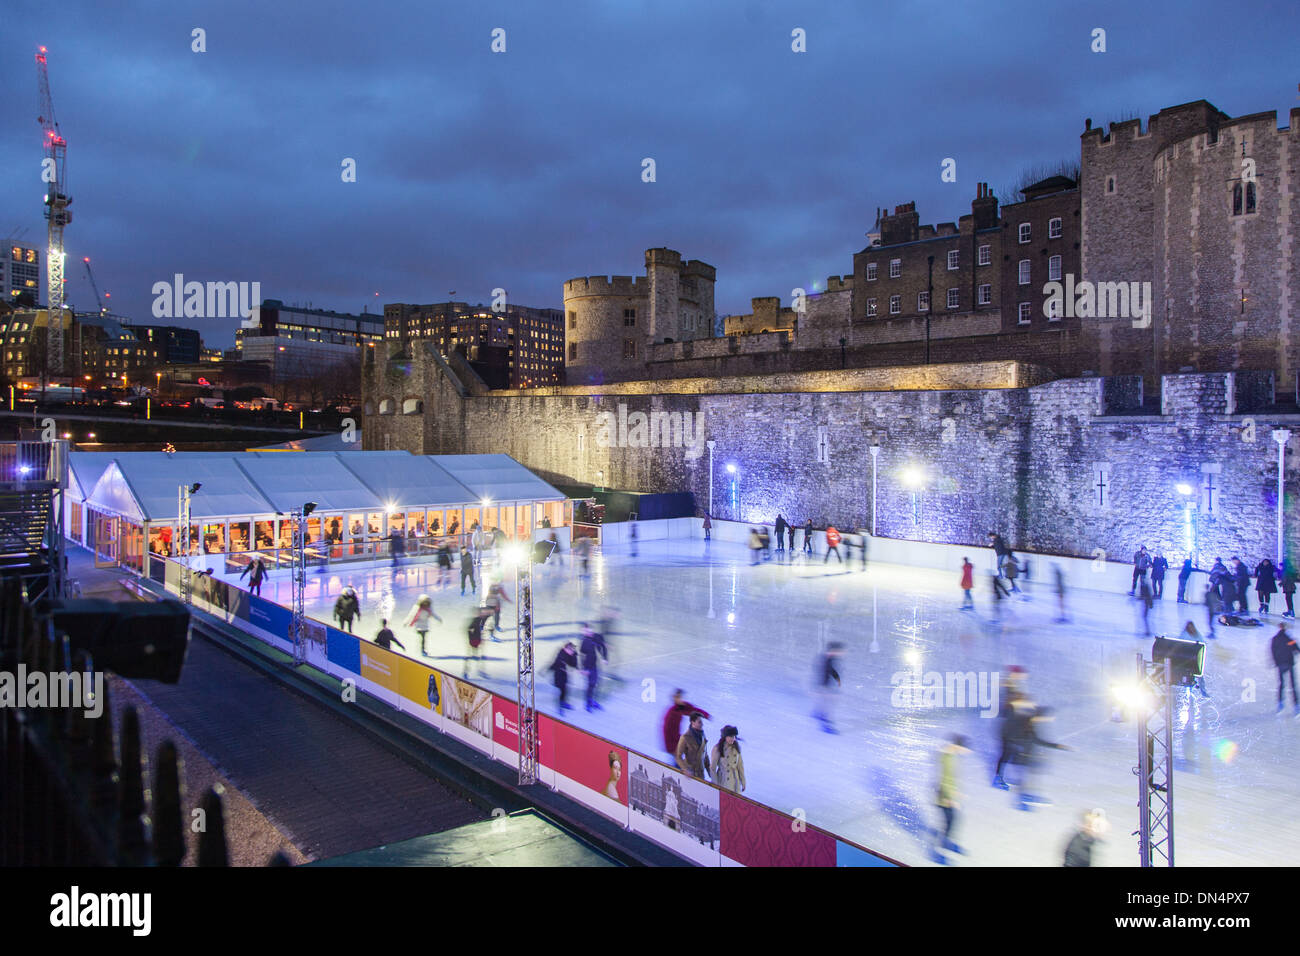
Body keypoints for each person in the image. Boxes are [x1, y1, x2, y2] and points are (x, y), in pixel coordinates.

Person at [931, 734, 971, 865]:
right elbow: (944, 781)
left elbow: (950, 779)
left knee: (952, 820)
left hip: (946, 795)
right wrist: (950, 799)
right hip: (943, 797)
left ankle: (945, 843)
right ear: (957, 746)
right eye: (965, 749)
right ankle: (939, 852)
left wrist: (957, 793)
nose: (966, 752)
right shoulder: (947, 758)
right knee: (949, 822)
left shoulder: (951, 755)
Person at [662, 690, 711, 756]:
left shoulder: (681, 707)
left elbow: (693, 710)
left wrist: (705, 715)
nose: (681, 700)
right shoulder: (672, 713)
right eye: (678, 697)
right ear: (674, 698)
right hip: (672, 742)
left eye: (681, 697)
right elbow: (668, 730)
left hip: (677, 740)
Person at [812, 642, 844, 734]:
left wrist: (837, 678)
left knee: (825, 704)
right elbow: (825, 672)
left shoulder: (829, 658)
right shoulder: (827, 660)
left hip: (823, 686)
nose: (841, 653)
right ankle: (825, 726)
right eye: (839, 651)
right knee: (827, 706)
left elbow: (831, 671)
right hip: (824, 686)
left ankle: (818, 713)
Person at [579, 623, 608, 712]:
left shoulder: (598, 636)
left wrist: (605, 658)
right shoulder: (584, 641)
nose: (585, 632)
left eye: (587, 630)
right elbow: (582, 655)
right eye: (584, 631)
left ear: (591, 629)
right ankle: (588, 703)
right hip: (588, 666)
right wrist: (583, 669)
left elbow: (603, 647)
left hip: (595, 664)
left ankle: (592, 701)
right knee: (590, 684)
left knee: (596, 684)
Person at [1271, 624, 1299, 716]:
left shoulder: (1275, 639)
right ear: (1285, 629)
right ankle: (1296, 705)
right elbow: (1297, 650)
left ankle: (1280, 704)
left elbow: (1273, 651)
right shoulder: (1289, 639)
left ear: (1279, 628)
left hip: (1281, 665)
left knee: (1281, 684)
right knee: (1293, 685)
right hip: (1289, 663)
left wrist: (1276, 662)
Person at [710, 726, 746, 794]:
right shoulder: (717, 749)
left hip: (735, 781)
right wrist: (715, 785)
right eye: (731, 736)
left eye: (734, 736)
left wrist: (743, 782)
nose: (733, 739)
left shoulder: (737, 748)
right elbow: (712, 768)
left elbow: (740, 766)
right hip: (723, 781)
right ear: (725, 736)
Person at [674, 713, 710, 779]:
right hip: (690, 775)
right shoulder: (685, 737)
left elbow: (705, 756)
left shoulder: (703, 736)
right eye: (699, 722)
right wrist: (685, 769)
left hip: (701, 776)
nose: (702, 724)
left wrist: (710, 773)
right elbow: (678, 756)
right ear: (692, 722)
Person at [550, 641, 578, 711]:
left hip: (564, 675)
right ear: (566, 649)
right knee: (561, 689)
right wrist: (565, 670)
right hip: (558, 675)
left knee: (565, 689)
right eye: (571, 649)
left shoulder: (569, 654)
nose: (572, 651)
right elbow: (559, 663)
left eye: (572, 649)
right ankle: (560, 706)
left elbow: (573, 665)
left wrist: (574, 655)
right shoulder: (561, 654)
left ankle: (563, 703)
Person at [465, 607, 491, 677]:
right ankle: (466, 671)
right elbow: (469, 630)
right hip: (474, 641)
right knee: (472, 656)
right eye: (481, 613)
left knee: (478, 656)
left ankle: (479, 670)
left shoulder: (479, 619)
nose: (482, 614)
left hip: (477, 640)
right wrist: (471, 638)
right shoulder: (475, 620)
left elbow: (485, 618)